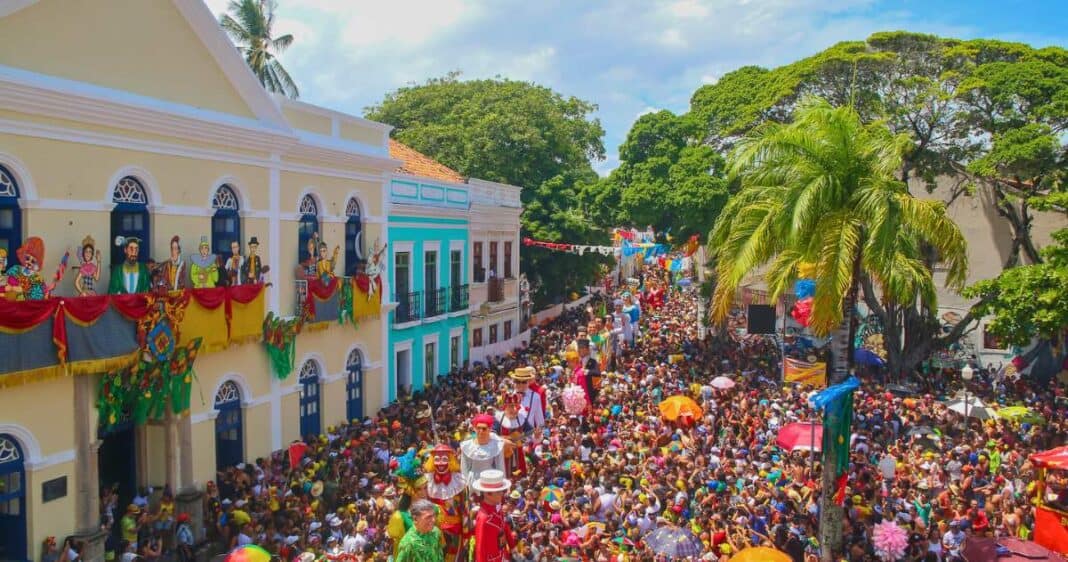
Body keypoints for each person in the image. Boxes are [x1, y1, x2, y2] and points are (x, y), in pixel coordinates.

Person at [472, 469, 515, 562]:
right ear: (487, 494)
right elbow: (480, 549)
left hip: (502, 555)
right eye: (498, 492)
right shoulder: (483, 518)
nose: (502, 494)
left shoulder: (497, 508)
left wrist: (512, 546)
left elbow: (504, 526)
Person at [461, 414, 507, 490]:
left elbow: (500, 466)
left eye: (484, 428)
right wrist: (465, 486)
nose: (481, 431)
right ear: (474, 429)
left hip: (491, 478)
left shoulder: (496, 445)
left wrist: (502, 484)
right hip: (473, 479)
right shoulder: (467, 446)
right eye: (478, 428)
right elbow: (464, 468)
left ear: (489, 429)